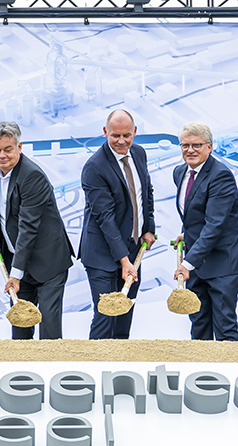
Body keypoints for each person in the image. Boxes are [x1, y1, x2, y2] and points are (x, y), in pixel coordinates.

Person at [0, 121, 74, 340]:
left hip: (48, 262)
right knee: (20, 327)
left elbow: (28, 226)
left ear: (19, 147)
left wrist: (15, 273)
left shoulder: (32, 176)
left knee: (49, 331)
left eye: (7, 149)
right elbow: (2, 214)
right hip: (18, 259)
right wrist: (2, 243)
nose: (1, 155)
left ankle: (51, 369)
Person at [79, 109, 156, 339]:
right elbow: (105, 218)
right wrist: (124, 261)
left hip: (132, 249)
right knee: (106, 316)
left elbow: (146, 193)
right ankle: (96, 369)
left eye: (126, 135)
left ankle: (121, 368)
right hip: (102, 254)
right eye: (115, 136)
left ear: (134, 133)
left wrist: (149, 228)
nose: (121, 141)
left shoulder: (139, 154)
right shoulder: (94, 167)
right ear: (105, 132)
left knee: (125, 313)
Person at [173, 122, 238, 341]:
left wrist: (187, 264)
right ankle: (200, 373)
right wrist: (186, 234)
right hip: (197, 262)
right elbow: (193, 214)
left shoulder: (221, 176)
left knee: (224, 326)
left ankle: (230, 372)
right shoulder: (180, 172)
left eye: (197, 145)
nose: (190, 150)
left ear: (210, 146)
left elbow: (215, 224)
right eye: (185, 145)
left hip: (222, 262)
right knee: (199, 324)